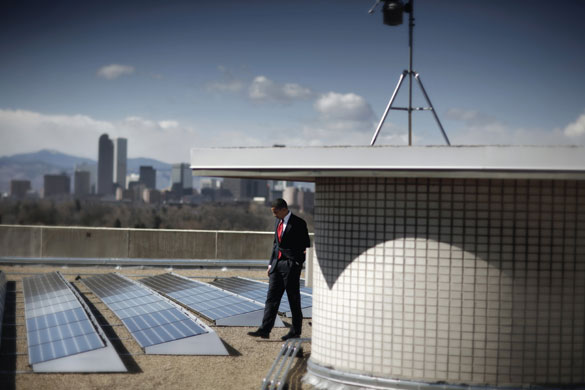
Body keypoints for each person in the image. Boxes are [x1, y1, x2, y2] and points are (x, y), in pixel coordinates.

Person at [247, 198, 310, 340]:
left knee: (293, 299)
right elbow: (275, 244)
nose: (274, 215)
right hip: (276, 266)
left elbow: (306, 246)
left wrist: (296, 264)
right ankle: (265, 330)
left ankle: (295, 331)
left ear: (283, 209)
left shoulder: (299, 223)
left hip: (291, 266)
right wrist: (270, 264)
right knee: (271, 299)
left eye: (275, 212)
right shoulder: (278, 221)